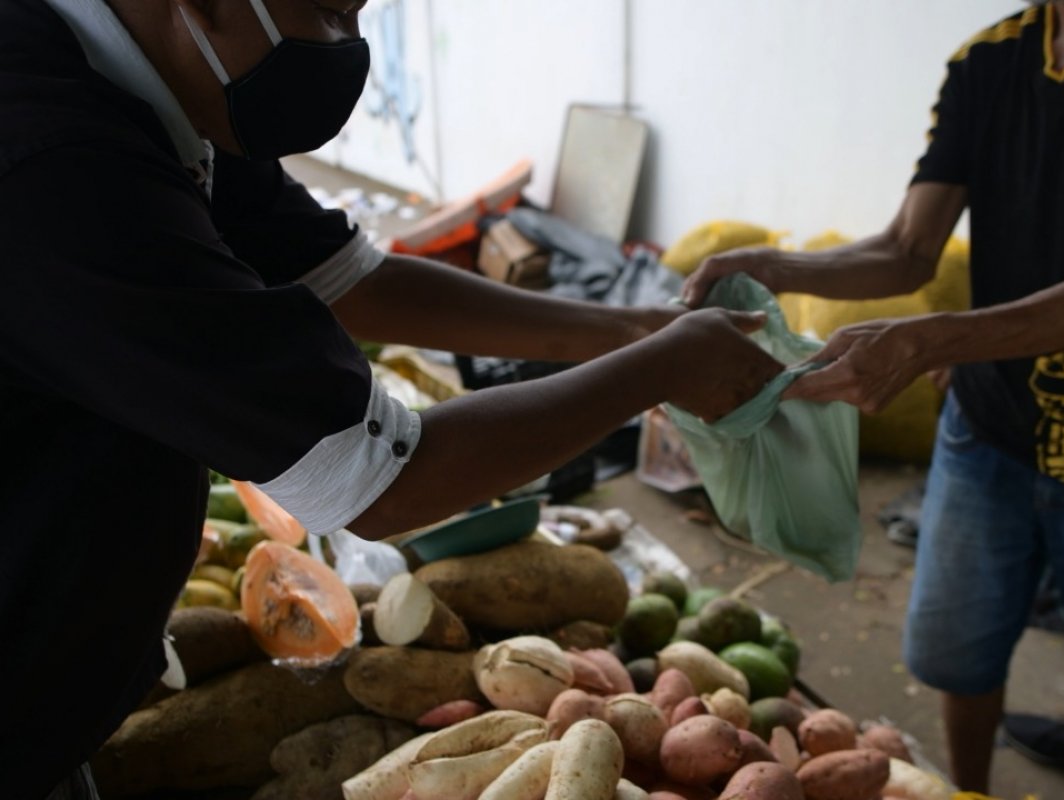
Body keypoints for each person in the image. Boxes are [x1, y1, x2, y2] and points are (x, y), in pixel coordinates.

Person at [0, 1, 786, 797]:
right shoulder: (52, 161)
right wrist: (660, 369)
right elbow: (374, 480)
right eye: (327, 8)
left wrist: (633, 328)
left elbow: (347, 277)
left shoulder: (165, 80)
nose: (347, 45)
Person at [684, 1, 1064, 798]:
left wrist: (934, 342)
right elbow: (906, 251)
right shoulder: (987, 62)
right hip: (988, 427)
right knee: (954, 654)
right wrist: (770, 265)